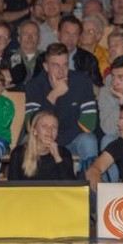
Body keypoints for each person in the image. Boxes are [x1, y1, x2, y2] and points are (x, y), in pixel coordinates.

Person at [24, 42, 99, 172]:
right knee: (26, 142)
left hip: (73, 139)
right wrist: (54, 95)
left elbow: (89, 123)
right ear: (46, 67)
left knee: (89, 141)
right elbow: (30, 125)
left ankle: (88, 183)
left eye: (65, 65)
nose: (61, 71)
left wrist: (58, 141)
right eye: (55, 65)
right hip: (43, 140)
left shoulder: (82, 81)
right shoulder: (34, 86)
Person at [7, 111, 76, 181]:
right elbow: (13, 184)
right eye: (44, 126)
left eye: (54, 127)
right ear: (35, 131)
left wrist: (57, 157)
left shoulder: (64, 153)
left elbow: (71, 185)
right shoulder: (18, 154)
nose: (49, 130)